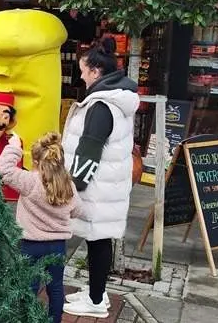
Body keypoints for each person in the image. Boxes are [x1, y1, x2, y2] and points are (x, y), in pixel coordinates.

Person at [61, 37, 139, 319]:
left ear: (95, 72)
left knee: (97, 240)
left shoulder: (101, 105)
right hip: (107, 185)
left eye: (83, 70)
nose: (80, 75)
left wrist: (72, 186)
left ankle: (95, 301)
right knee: (99, 239)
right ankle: (98, 292)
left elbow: (89, 149)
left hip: (96, 187)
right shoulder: (117, 98)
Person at [0, 132, 86, 323]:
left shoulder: (29, 181)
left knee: (29, 286)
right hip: (57, 246)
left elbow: (3, 169)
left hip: (30, 244)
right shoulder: (67, 185)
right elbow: (79, 211)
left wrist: (14, 146)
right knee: (55, 287)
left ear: (36, 161)